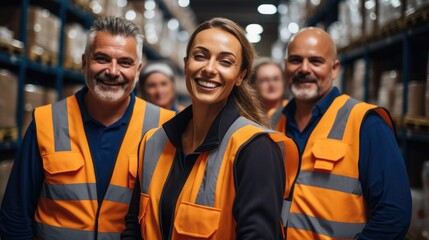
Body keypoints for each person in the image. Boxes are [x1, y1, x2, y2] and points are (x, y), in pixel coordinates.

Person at [121, 17, 299, 239]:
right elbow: (134, 227)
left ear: (240, 76)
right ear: (186, 63)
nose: (209, 68)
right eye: (200, 56)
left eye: (225, 62)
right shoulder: (153, 142)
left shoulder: (255, 149)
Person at [0, 16, 175, 239]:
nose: (112, 71)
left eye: (124, 62)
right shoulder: (47, 121)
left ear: (138, 70)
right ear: (84, 63)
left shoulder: (164, 127)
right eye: (102, 58)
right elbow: (16, 215)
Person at [274, 27, 412, 239]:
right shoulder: (272, 122)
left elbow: (393, 215)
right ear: (285, 65)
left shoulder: (366, 122)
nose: (304, 69)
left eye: (316, 61)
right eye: (295, 60)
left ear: (334, 68)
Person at [250, 57, 288, 129]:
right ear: (253, 85)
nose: (271, 84)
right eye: (264, 80)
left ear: (284, 82)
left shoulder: (295, 111)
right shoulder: (248, 116)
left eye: (276, 79)